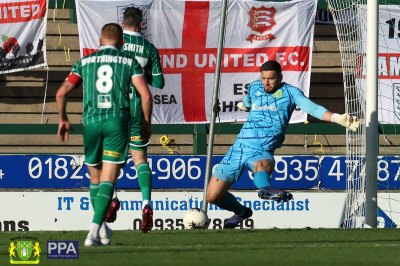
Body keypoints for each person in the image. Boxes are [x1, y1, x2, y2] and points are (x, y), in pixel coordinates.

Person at [206, 60, 360, 229]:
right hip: (238, 148)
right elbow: (248, 100)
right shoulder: (255, 87)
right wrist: (245, 105)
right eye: (264, 78)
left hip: (262, 150)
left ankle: (266, 189)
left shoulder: (290, 92)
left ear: (280, 77)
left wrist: (338, 118)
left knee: (262, 165)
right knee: (212, 196)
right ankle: (242, 212)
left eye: (271, 78)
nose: (266, 82)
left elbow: (313, 109)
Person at [56, 23, 152, 246]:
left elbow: (61, 93)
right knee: (109, 178)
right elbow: (146, 96)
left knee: (95, 179)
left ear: (100, 41)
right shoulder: (129, 61)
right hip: (116, 121)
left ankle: (102, 229)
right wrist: (146, 123)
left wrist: (63, 118)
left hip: (90, 121)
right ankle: (93, 231)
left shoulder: (84, 62)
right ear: (121, 42)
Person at [108, 6, 165, 233]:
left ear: (123, 24)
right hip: (137, 109)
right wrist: (142, 74)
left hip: (115, 110)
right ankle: (146, 205)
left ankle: (112, 199)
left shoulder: (113, 47)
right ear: (141, 24)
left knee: (110, 159)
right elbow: (159, 84)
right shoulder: (149, 48)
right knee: (140, 160)